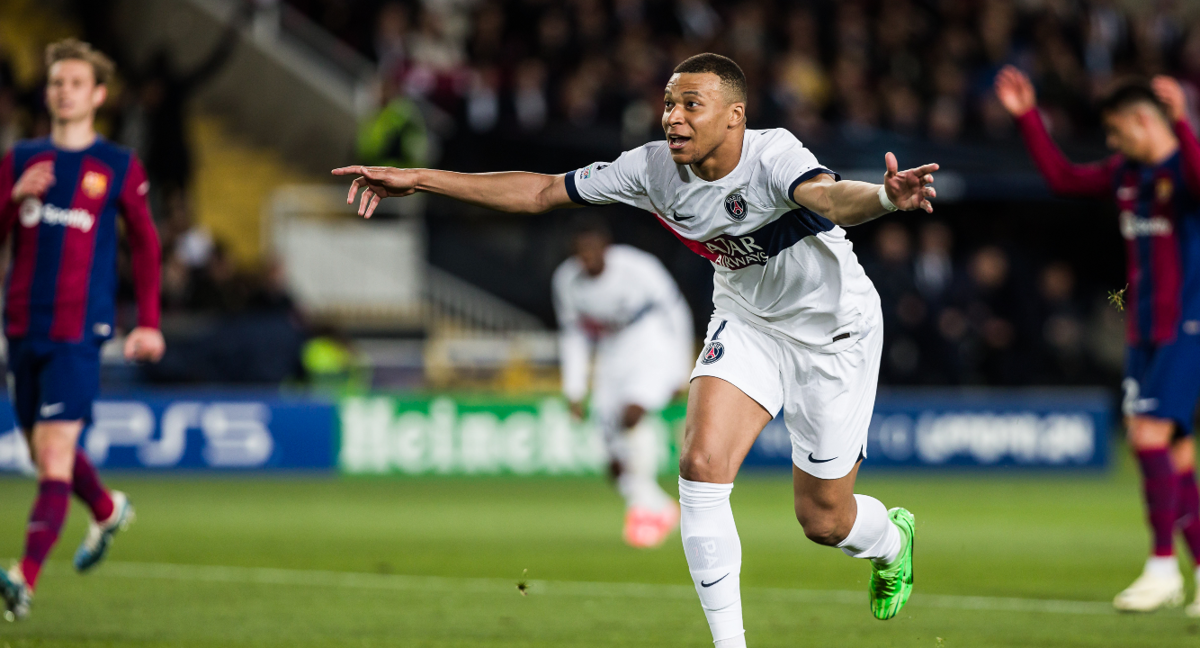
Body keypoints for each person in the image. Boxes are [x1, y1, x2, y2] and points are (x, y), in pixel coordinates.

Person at [335, 53, 937, 646]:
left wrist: (884, 198)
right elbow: (543, 191)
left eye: (690, 105)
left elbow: (831, 199)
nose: (673, 118)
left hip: (832, 332)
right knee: (700, 468)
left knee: (824, 520)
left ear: (734, 116)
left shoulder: (773, 154)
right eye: (669, 104)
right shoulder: (650, 170)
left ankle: (891, 541)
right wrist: (420, 179)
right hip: (748, 321)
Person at [997, 66, 1200, 616]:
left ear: (1143, 120)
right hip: (1144, 329)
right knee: (1174, 451)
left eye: (1116, 131)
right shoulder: (1126, 174)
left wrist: (1184, 122)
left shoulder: (1184, 166)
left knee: (1147, 434)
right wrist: (1028, 117)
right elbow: (1064, 179)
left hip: (1188, 326)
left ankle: (1162, 566)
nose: (1112, 142)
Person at [0, 39, 164, 622]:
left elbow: (145, 245)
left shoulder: (117, 166)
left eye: (74, 82)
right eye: (55, 82)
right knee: (45, 449)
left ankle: (24, 578)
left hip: (79, 328)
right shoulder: (20, 160)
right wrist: (11, 200)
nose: (62, 90)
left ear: (97, 95)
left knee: (54, 452)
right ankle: (105, 507)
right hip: (21, 325)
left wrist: (148, 321)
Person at [552, 217, 693, 548]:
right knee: (614, 461)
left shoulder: (638, 267)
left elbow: (676, 311)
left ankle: (645, 515)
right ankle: (655, 507)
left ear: (606, 247)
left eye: (591, 250)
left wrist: (680, 369)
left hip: (651, 344)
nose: (586, 258)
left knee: (632, 414)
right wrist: (574, 389)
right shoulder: (567, 281)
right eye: (579, 253)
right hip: (610, 355)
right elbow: (573, 336)